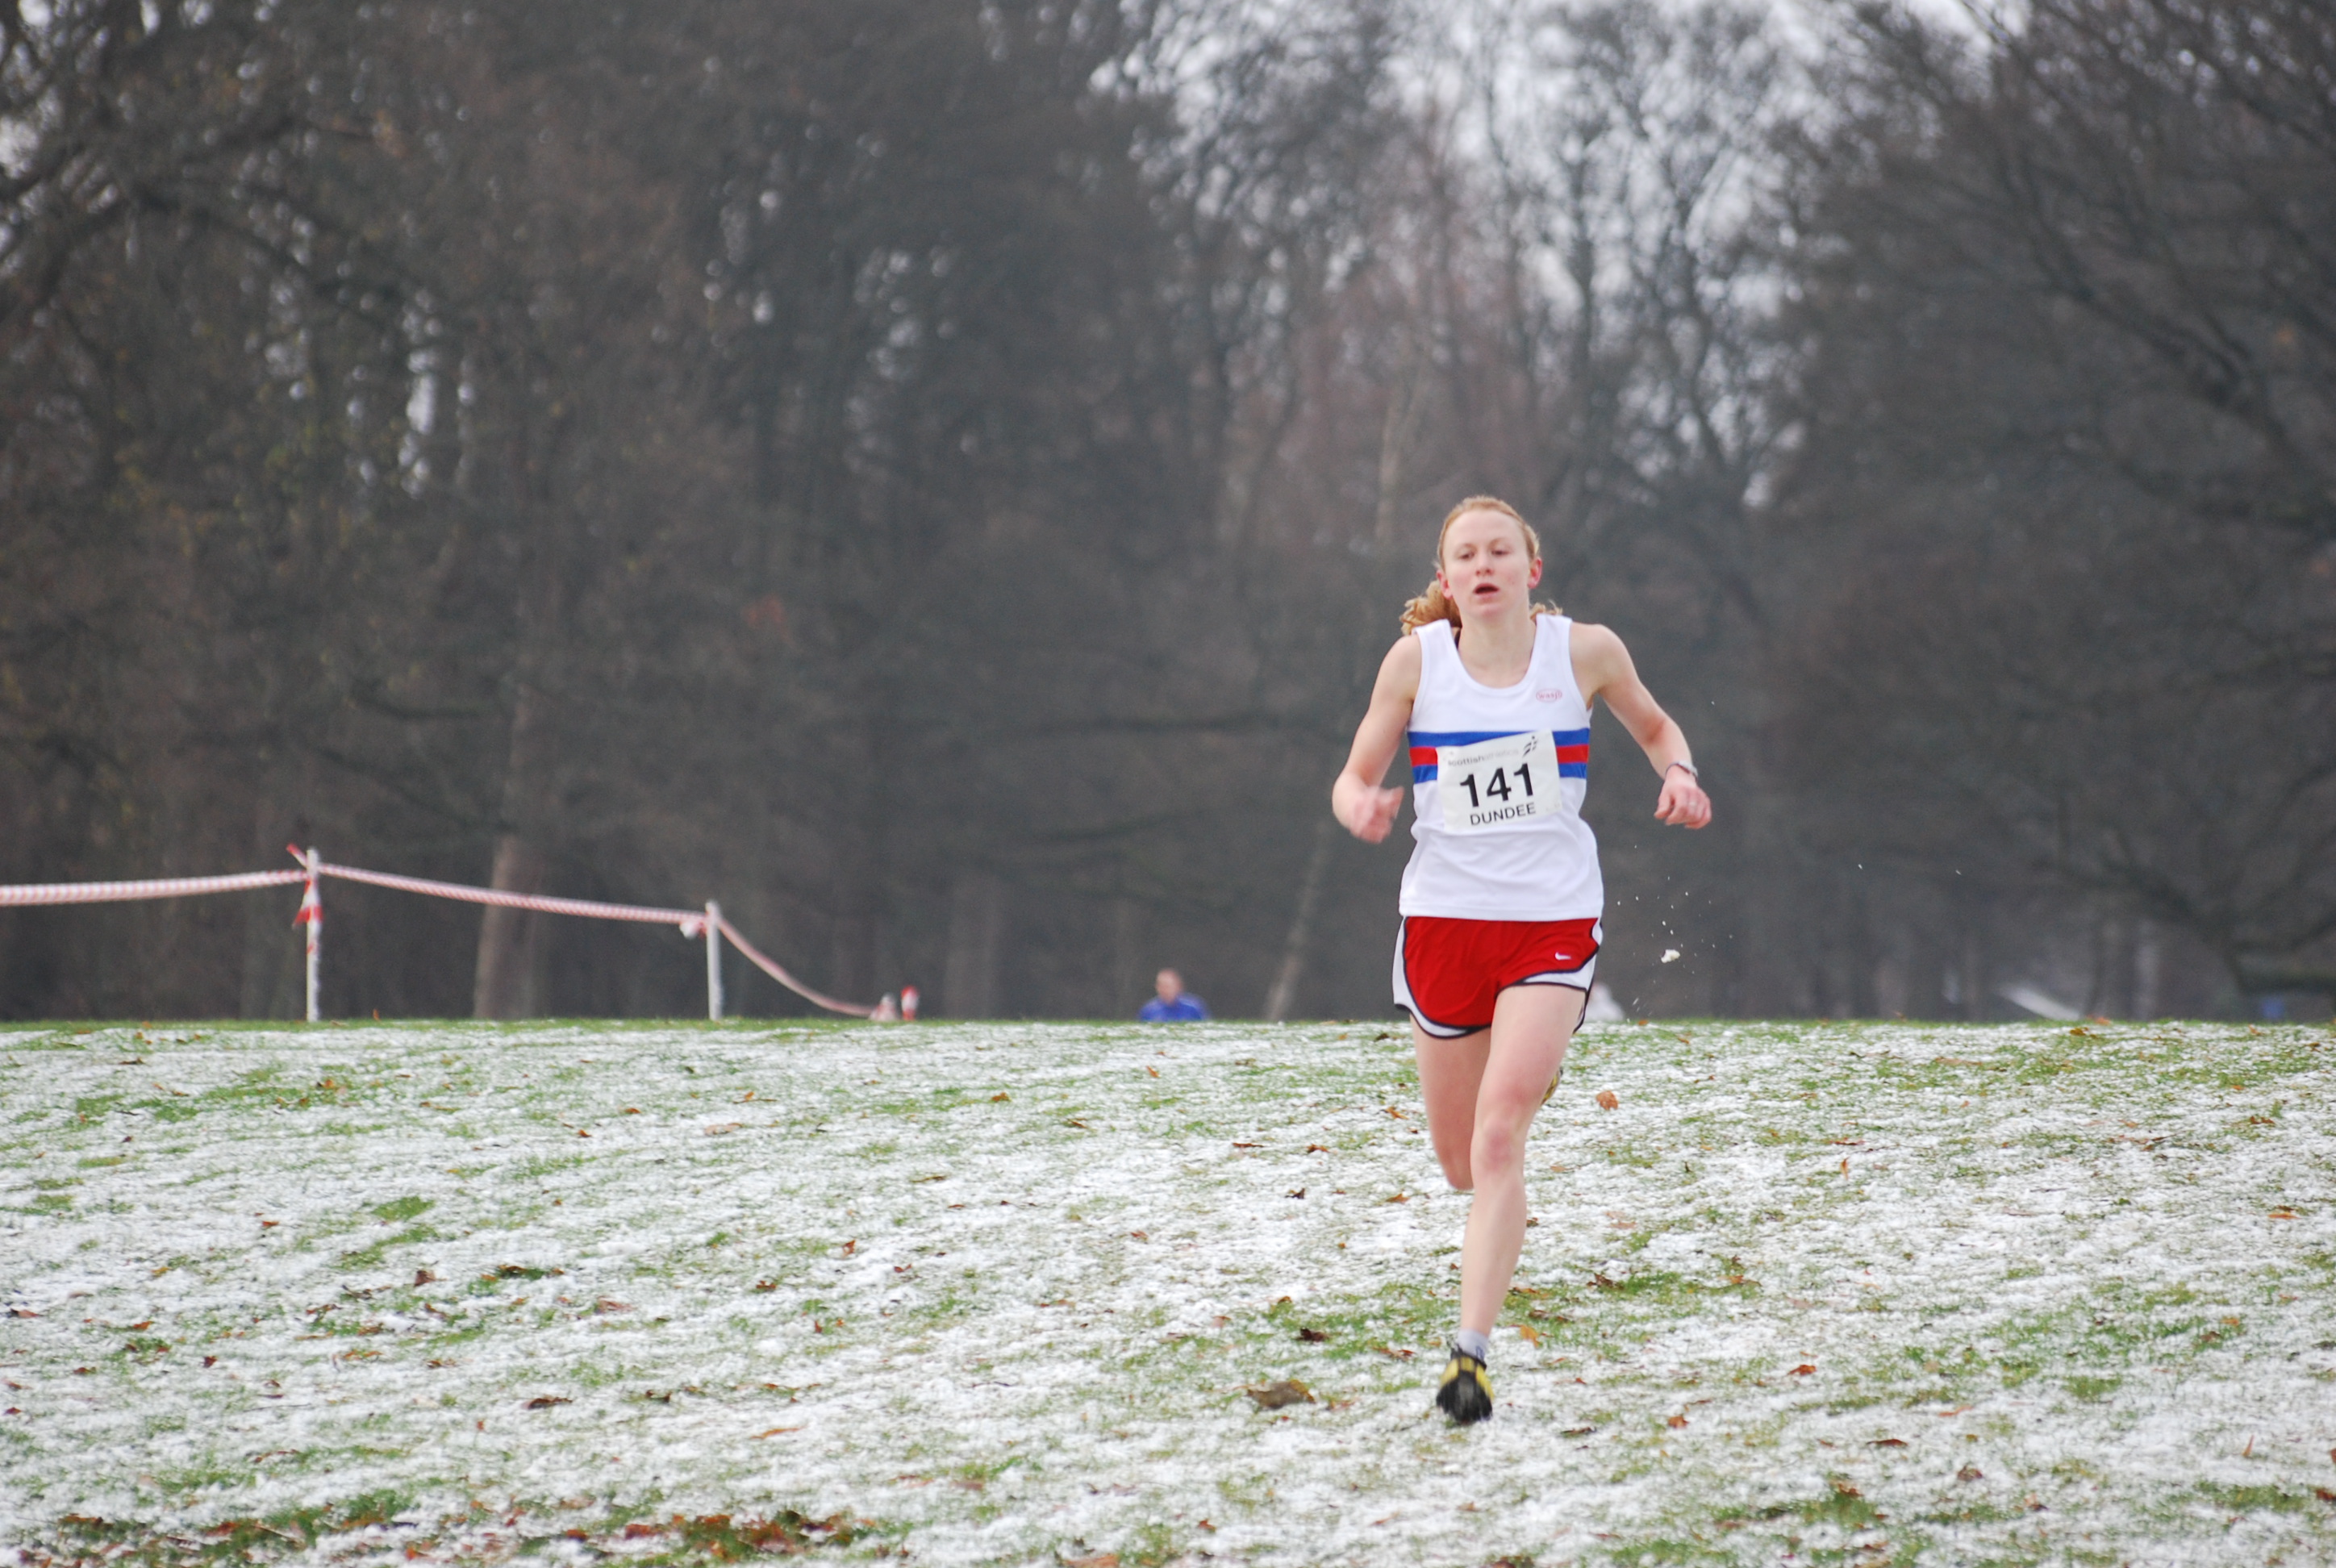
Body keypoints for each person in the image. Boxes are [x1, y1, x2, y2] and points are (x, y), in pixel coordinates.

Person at [1331, 496, 1710, 1424]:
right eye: (1465, 555)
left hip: (1550, 920)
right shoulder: (1416, 663)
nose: (1483, 565)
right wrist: (1362, 807)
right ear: (1446, 578)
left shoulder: (1583, 652)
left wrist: (1679, 773)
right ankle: (1506, 1132)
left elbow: (1657, 728)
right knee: (1461, 1162)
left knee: (1501, 1136)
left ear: (1530, 569)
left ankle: (1470, 1356)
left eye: (1500, 551)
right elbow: (1352, 776)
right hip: (1444, 925)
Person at [1137, 968, 1210, 1022]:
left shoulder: (1193, 1007)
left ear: (1178, 986)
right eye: (1161, 986)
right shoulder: (1149, 1009)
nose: (1164, 990)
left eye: (1168, 986)